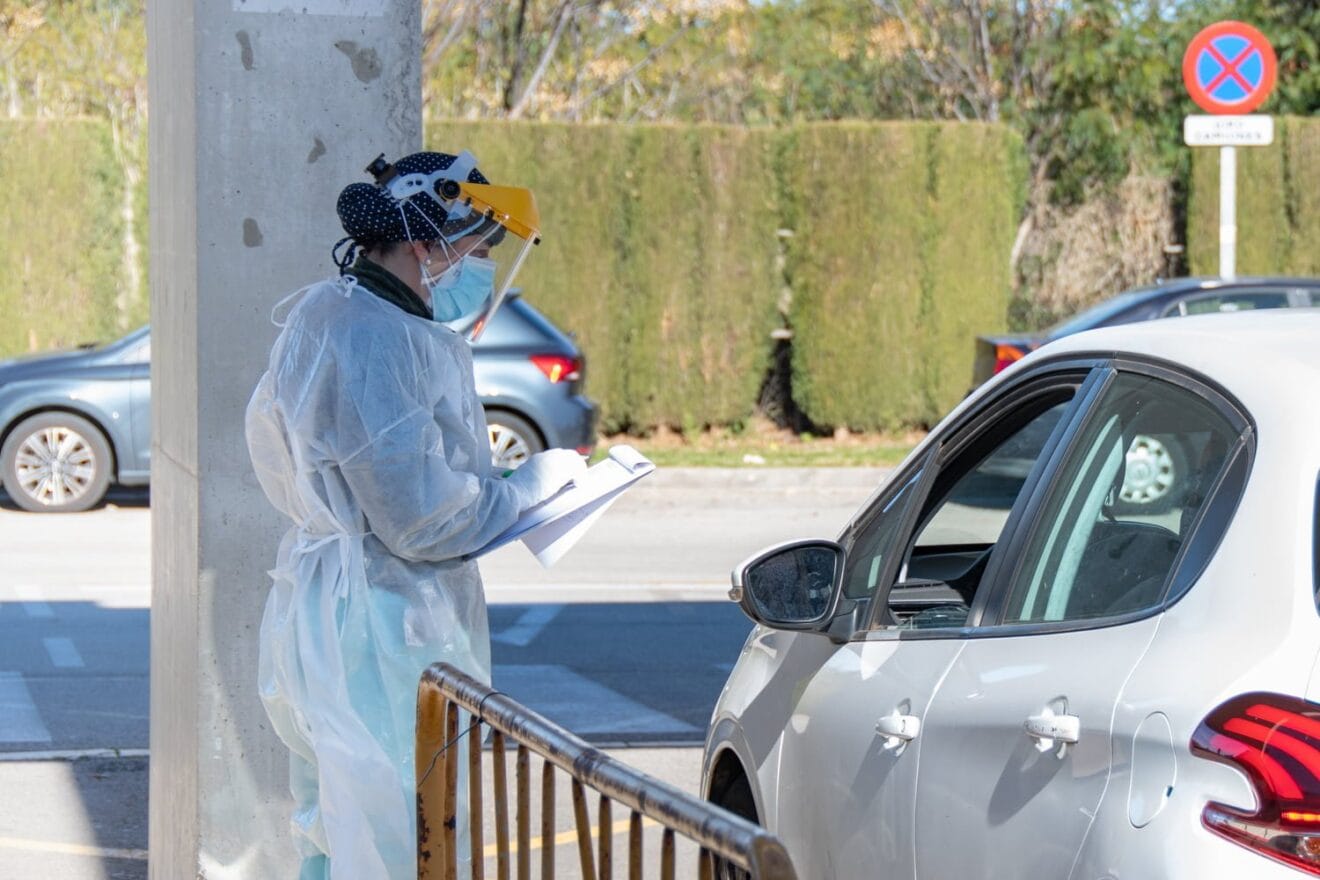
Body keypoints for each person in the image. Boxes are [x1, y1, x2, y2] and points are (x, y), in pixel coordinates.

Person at [245, 150, 585, 879]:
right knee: (402, 834)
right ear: (424, 244)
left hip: (336, 608)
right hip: (384, 621)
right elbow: (419, 518)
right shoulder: (377, 338)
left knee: (345, 831)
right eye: (474, 247)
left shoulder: (332, 312)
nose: (481, 264)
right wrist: (530, 492)